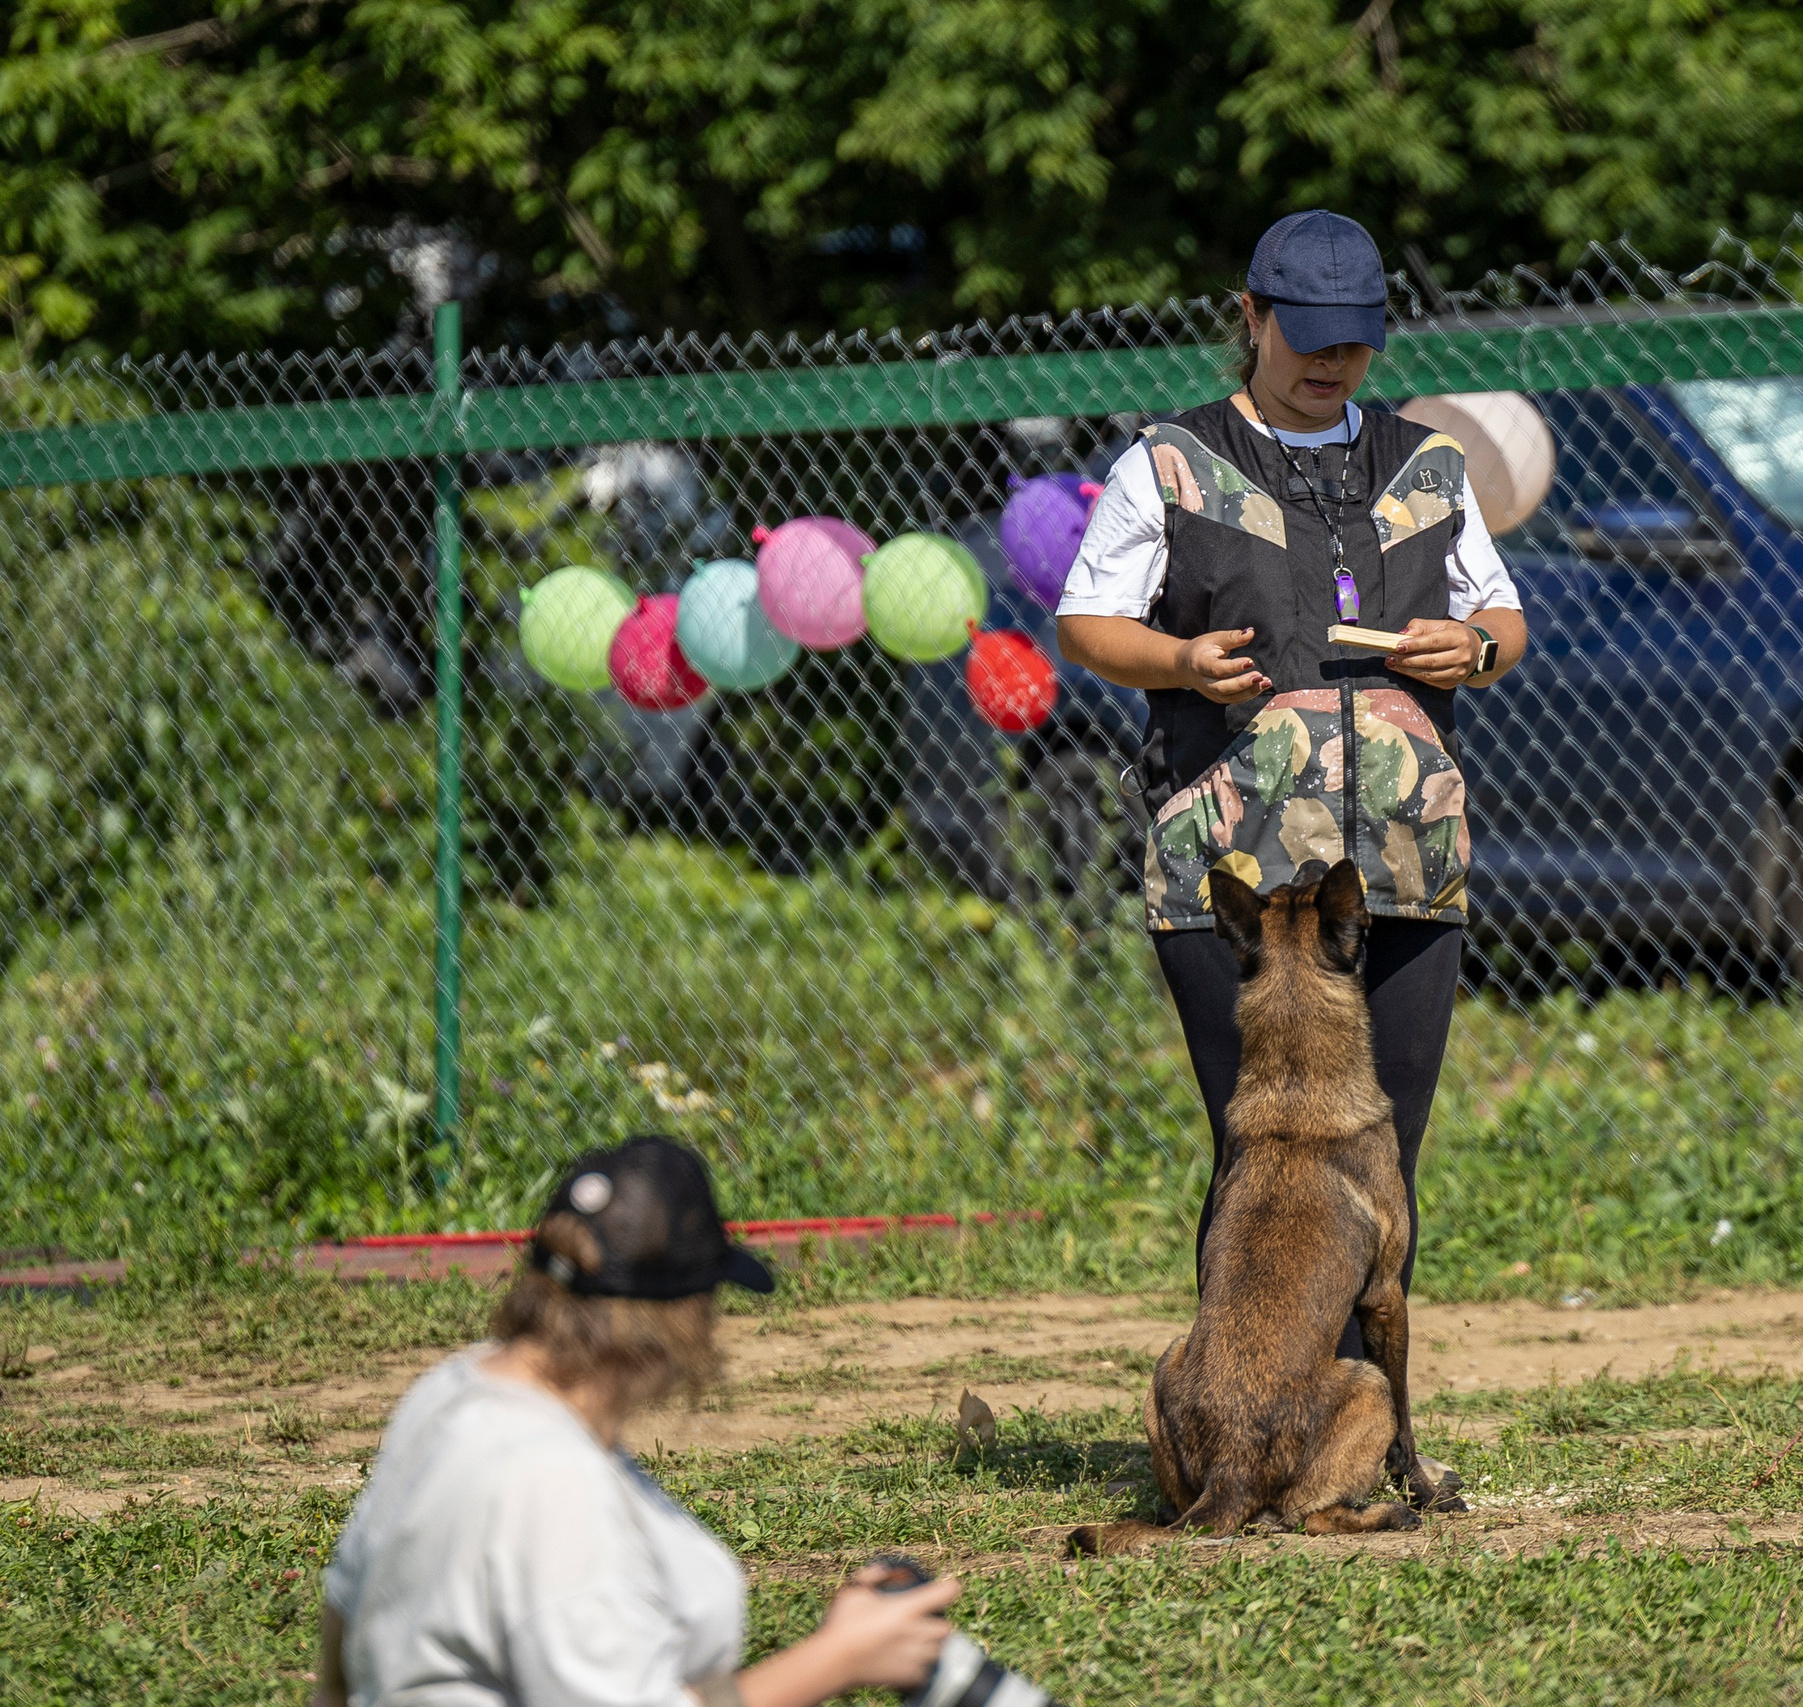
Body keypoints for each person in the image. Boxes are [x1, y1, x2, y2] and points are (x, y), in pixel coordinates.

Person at [1054, 210, 1528, 1422]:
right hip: (1233, 871)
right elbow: (1085, 623)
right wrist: (1175, 664)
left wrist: (1467, 644)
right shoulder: (1167, 463)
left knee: (1383, 1163)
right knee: (1259, 1159)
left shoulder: (1428, 465)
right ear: (1251, 317)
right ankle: (1231, 1420)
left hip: (1406, 863)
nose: (1331, 364)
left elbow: (1504, 621)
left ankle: (1374, 1437)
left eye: (1354, 344)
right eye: (1305, 338)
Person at [313, 1136, 963, 1707]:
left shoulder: (457, 1387)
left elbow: (343, 1618)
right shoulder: (549, 1477)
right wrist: (838, 1658)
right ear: (681, 1315)